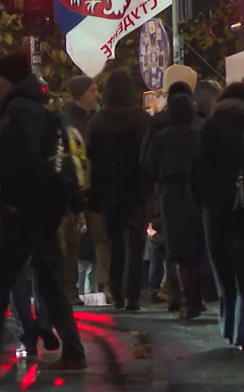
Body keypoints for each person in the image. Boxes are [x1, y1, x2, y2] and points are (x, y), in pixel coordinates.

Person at [0, 55, 87, 371]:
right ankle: (73, 349)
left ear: (10, 80)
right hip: (48, 211)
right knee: (50, 282)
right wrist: (73, 204)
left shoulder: (12, 116)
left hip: (19, 212)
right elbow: (62, 160)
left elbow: (12, 163)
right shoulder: (48, 115)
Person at [192, 83, 244, 350]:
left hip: (216, 208)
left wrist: (203, 202)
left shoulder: (210, 127)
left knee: (223, 268)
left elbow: (199, 170)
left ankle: (228, 327)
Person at [88, 69, 151, 311]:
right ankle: (133, 296)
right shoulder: (141, 119)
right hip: (136, 189)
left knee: (114, 244)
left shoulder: (99, 121)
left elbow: (91, 157)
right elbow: (146, 156)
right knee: (136, 245)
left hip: (107, 190)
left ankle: (116, 293)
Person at [143, 83, 206, 320]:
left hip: (170, 193)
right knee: (197, 246)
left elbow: (149, 163)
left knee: (177, 248)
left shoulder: (163, 136)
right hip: (195, 191)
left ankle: (183, 295)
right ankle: (196, 296)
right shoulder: (198, 133)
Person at [60, 76, 101, 304]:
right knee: (70, 241)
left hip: (92, 185)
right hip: (72, 185)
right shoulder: (66, 120)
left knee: (95, 238)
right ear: (81, 94)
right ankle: (68, 288)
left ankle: (72, 288)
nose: (97, 94)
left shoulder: (96, 116)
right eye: (93, 90)